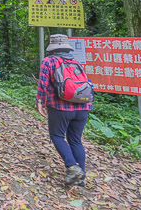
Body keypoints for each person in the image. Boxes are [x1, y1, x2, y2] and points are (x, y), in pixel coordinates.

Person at [36, 34, 92, 187]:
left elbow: (43, 84)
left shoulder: (49, 61)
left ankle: (72, 167)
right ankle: (81, 177)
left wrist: (40, 101)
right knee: (75, 140)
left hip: (60, 107)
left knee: (57, 136)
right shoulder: (77, 62)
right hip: (82, 108)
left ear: (52, 48)